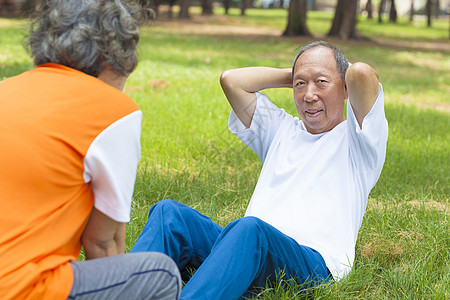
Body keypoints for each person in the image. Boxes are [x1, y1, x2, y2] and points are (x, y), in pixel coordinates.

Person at [131, 41, 389, 299]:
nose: (309, 95)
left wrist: (309, 72)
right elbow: (231, 80)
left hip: (314, 266)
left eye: (321, 82)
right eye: (300, 85)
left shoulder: (359, 144)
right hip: (247, 250)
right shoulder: (281, 130)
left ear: (345, 89)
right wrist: (300, 73)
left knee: (250, 229)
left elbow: (362, 73)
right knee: (169, 214)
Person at [0, 1, 181, 299]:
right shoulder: (114, 110)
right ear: (114, 53)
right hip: (21, 288)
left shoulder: (7, 89)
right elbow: (102, 243)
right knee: (159, 274)